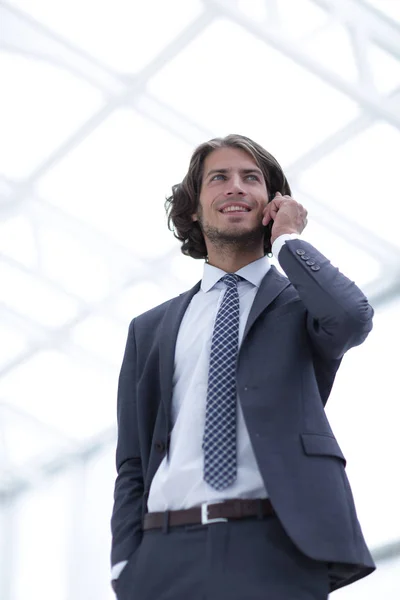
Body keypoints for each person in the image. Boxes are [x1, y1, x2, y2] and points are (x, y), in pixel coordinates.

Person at [110, 134, 376, 599]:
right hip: (163, 554)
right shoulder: (149, 328)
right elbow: (133, 458)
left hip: (274, 546)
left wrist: (289, 240)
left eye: (250, 178)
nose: (235, 187)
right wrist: (124, 562)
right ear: (194, 207)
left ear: (273, 203)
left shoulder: (303, 305)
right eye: (219, 178)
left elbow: (351, 319)